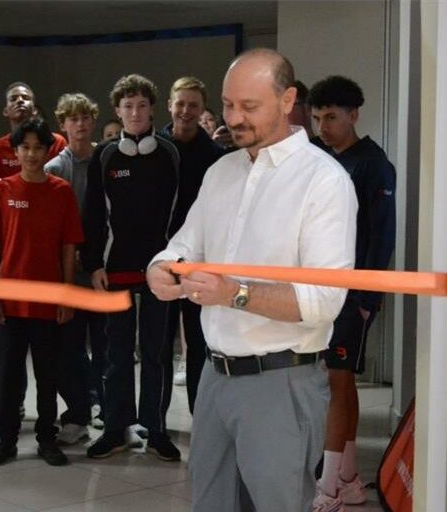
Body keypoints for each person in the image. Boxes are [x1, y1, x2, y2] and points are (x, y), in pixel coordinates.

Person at [146, 48, 358, 512]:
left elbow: (323, 301)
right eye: (227, 105)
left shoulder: (323, 181)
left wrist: (234, 293)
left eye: (249, 106)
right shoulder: (222, 171)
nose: (234, 118)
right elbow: (183, 243)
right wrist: (162, 267)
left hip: (281, 381)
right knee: (210, 502)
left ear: (287, 100)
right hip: (214, 378)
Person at [82, 74, 181, 461]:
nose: (135, 112)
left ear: (152, 109)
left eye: (141, 105)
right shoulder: (105, 156)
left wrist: (177, 264)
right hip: (115, 268)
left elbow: (181, 213)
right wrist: (93, 264)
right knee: (116, 353)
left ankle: (155, 429)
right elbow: (92, 214)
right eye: (127, 106)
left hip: (161, 269)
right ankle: (115, 428)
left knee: (155, 352)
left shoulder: (170, 154)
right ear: (117, 111)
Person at [309, 75, 396, 509]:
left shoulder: (373, 164)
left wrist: (365, 300)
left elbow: (381, 238)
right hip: (322, 291)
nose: (324, 126)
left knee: (337, 381)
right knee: (339, 383)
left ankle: (329, 489)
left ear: (354, 115)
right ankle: (348, 477)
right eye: (319, 117)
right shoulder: (322, 158)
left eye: (332, 118)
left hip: (352, 294)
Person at [0, 118, 82, 466]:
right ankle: (6, 439)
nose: (32, 154)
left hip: (48, 299)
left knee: (48, 373)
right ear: (16, 151)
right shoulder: (2, 190)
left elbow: (69, 246)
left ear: (48, 149)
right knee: (7, 374)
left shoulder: (60, 191)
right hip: (10, 300)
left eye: (39, 147)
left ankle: (46, 438)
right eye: (25, 147)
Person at [160, 77, 225, 412]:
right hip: (160, 261)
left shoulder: (216, 157)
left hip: (199, 262)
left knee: (199, 344)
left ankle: (201, 416)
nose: (186, 111)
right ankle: (154, 424)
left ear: (203, 111)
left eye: (193, 105)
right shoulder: (152, 148)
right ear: (170, 105)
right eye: (180, 104)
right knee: (158, 346)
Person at [45, 92, 105, 439]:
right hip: (68, 274)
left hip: (101, 272)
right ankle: (79, 412)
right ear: (63, 124)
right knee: (70, 348)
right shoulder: (55, 169)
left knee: (106, 347)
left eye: (85, 118)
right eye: (73, 119)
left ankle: (111, 414)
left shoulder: (106, 159)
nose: (80, 124)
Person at [0, 82, 67, 178]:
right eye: (13, 99)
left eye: (26, 98)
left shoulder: (57, 142)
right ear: (5, 111)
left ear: (34, 110)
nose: (20, 100)